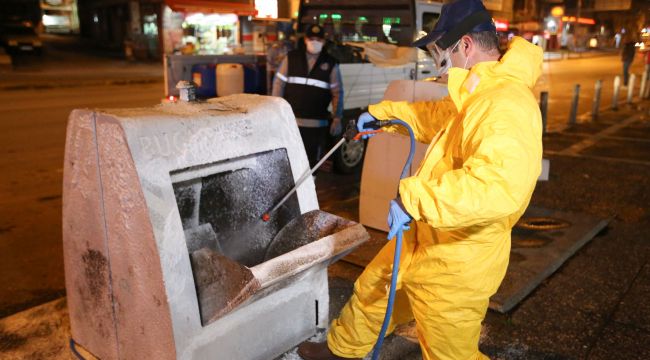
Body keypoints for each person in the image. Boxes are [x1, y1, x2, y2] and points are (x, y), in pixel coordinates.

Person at [297, 0, 543, 359]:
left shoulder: (505, 105)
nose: (435, 59)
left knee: (449, 352)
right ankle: (342, 351)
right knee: (374, 291)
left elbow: (497, 189)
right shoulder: (477, 96)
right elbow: (434, 117)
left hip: (458, 260)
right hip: (425, 235)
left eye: (439, 49)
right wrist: (379, 116)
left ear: (466, 46)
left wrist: (412, 200)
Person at [272, 24, 344, 168]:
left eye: (318, 39)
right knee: (288, 160)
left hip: (316, 125)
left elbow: (338, 92)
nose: (314, 42)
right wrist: (275, 111)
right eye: (311, 38)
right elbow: (278, 84)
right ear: (305, 40)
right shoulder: (292, 58)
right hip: (291, 122)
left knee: (311, 163)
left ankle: (311, 187)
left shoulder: (330, 63)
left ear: (323, 42)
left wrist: (337, 117)